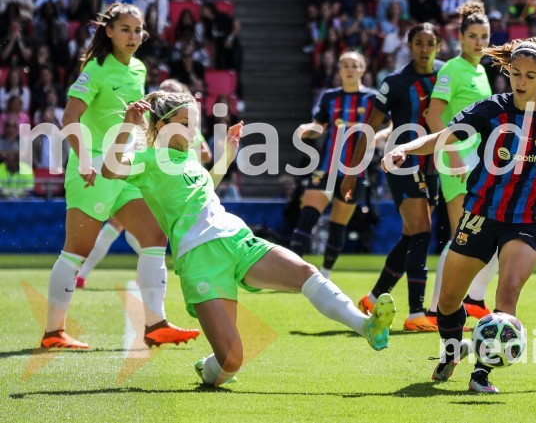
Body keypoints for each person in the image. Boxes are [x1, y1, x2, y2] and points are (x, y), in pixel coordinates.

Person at [101, 91, 396, 386]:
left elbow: (203, 189)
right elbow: (110, 169)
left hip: (236, 238)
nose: (193, 130)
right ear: (162, 125)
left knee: (305, 272)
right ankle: (209, 367)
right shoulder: (148, 160)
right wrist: (128, 125)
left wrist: (228, 155)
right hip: (200, 259)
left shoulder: (189, 159)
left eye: (195, 123)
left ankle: (366, 326)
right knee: (231, 362)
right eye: (185, 123)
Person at [382, 37, 536, 393]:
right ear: (508, 72)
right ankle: (452, 350)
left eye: (530, 75)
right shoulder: (491, 109)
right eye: (515, 73)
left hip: (527, 220)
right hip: (481, 214)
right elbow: (446, 136)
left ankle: (482, 372)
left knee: (509, 289)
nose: (521, 81)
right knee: (448, 302)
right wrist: (405, 147)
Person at [41, 2, 200, 350]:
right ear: (109, 31)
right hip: (93, 169)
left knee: (155, 236)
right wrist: (84, 160)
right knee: (77, 250)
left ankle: (156, 324)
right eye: (125, 29)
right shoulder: (95, 69)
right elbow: (69, 117)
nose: (133, 36)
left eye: (138, 30)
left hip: (124, 165)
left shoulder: (138, 68)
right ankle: (54, 332)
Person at [342, 24, 444, 332]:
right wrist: (352, 172)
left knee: (412, 235)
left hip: (434, 164)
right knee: (423, 231)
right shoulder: (395, 82)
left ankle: (373, 298)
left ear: (438, 46)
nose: (424, 49)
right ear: (409, 46)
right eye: (418, 43)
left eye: (429, 43)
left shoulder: (446, 75)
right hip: (402, 162)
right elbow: (369, 127)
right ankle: (416, 314)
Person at [75, 79, 213, 288]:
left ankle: (143, 276)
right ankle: (142, 277)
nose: (165, 94)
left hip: (155, 179)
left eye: (170, 92)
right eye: (163, 91)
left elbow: (206, 154)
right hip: (141, 175)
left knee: (141, 234)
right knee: (138, 233)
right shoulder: (155, 119)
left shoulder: (184, 121)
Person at [425, 0, 496, 322]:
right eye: (473, 36)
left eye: (484, 36)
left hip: (478, 161)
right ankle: (435, 309)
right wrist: (451, 153)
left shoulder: (481, 71)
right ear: (460, 38)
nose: (479, 42)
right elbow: (433, 115)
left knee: (482, 235)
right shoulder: (452, 69)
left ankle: (474, 301)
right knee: (461, 236)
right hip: (456, 161)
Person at [288, 51, 389, 266]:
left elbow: (391, 125)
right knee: (307, 217)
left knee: (338, 226)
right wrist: (307, 129)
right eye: (345, 65)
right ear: (339, 70)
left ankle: (325, 273)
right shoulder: (329, 97)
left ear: (363, 70)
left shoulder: (373, 98)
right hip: (326, 168)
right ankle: (293, 271)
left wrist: (379, 137)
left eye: (354, 65)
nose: (349, 69)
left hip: (355, 172)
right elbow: (319, 127)